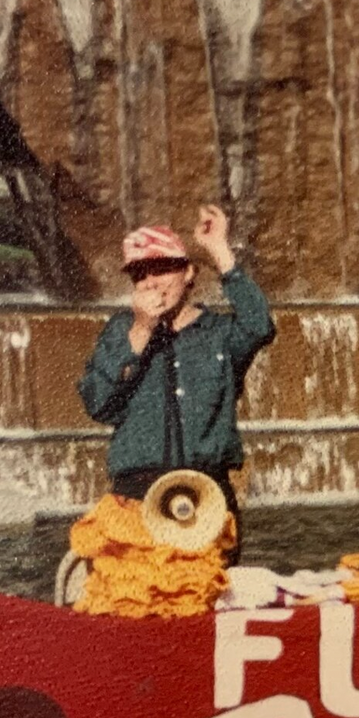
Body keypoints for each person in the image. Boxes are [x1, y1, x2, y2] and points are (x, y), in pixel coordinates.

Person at [78, 205, 275, 561]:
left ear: (188, 273)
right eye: (140, 275)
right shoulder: (120, 331)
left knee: (207, 594)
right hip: (136, 496)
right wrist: (141, 331)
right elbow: (97, 402)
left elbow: (260, 325)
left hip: (207, 493)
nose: (151, 281)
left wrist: (220, 250)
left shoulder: (218, 332)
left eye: (162, 268)